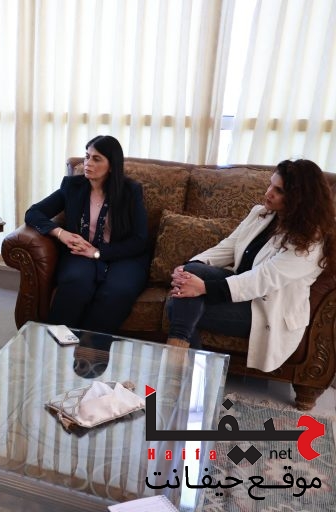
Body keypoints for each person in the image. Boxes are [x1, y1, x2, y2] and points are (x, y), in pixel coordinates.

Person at [166, 159, 336, 372]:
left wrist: (204, 287)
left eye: (279, 190)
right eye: (270, 184)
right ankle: (194, 371)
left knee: (175, 305)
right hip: (240, 290)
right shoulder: (261, 213)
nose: (269, 193)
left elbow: (263, 278)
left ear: (299, 198)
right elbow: (228, 247)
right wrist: (188, 267)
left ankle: (182, 363)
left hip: (266, 309)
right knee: (192, 271)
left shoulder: (309, 241)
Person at [25, 135, 149, 337]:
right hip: (81, 252)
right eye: (87, 156)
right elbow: (33, 213)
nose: (88, 163)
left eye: (96, 159)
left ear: (112, 166)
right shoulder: (72, 186)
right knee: (76, 281)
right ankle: (56, 344)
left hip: (123, 255)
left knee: (118, 291)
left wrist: (98, 253)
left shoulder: (130, 191)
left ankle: (90, 348)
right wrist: (61, 233)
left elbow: (140, 240)